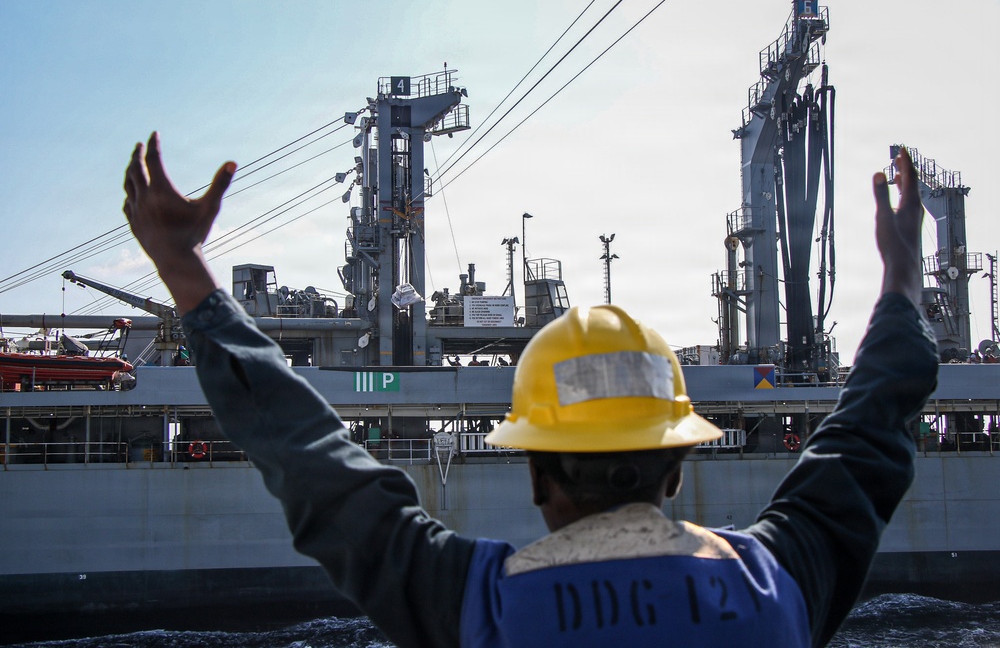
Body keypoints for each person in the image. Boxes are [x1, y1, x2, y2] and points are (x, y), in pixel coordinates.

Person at [123, 133, 937, 647]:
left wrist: (185, 271)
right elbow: (869, 434)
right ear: (676, 466)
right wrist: (902, 276)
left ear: (536, 471)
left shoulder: (476, 607)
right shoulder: (779, 585)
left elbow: (315, 464)